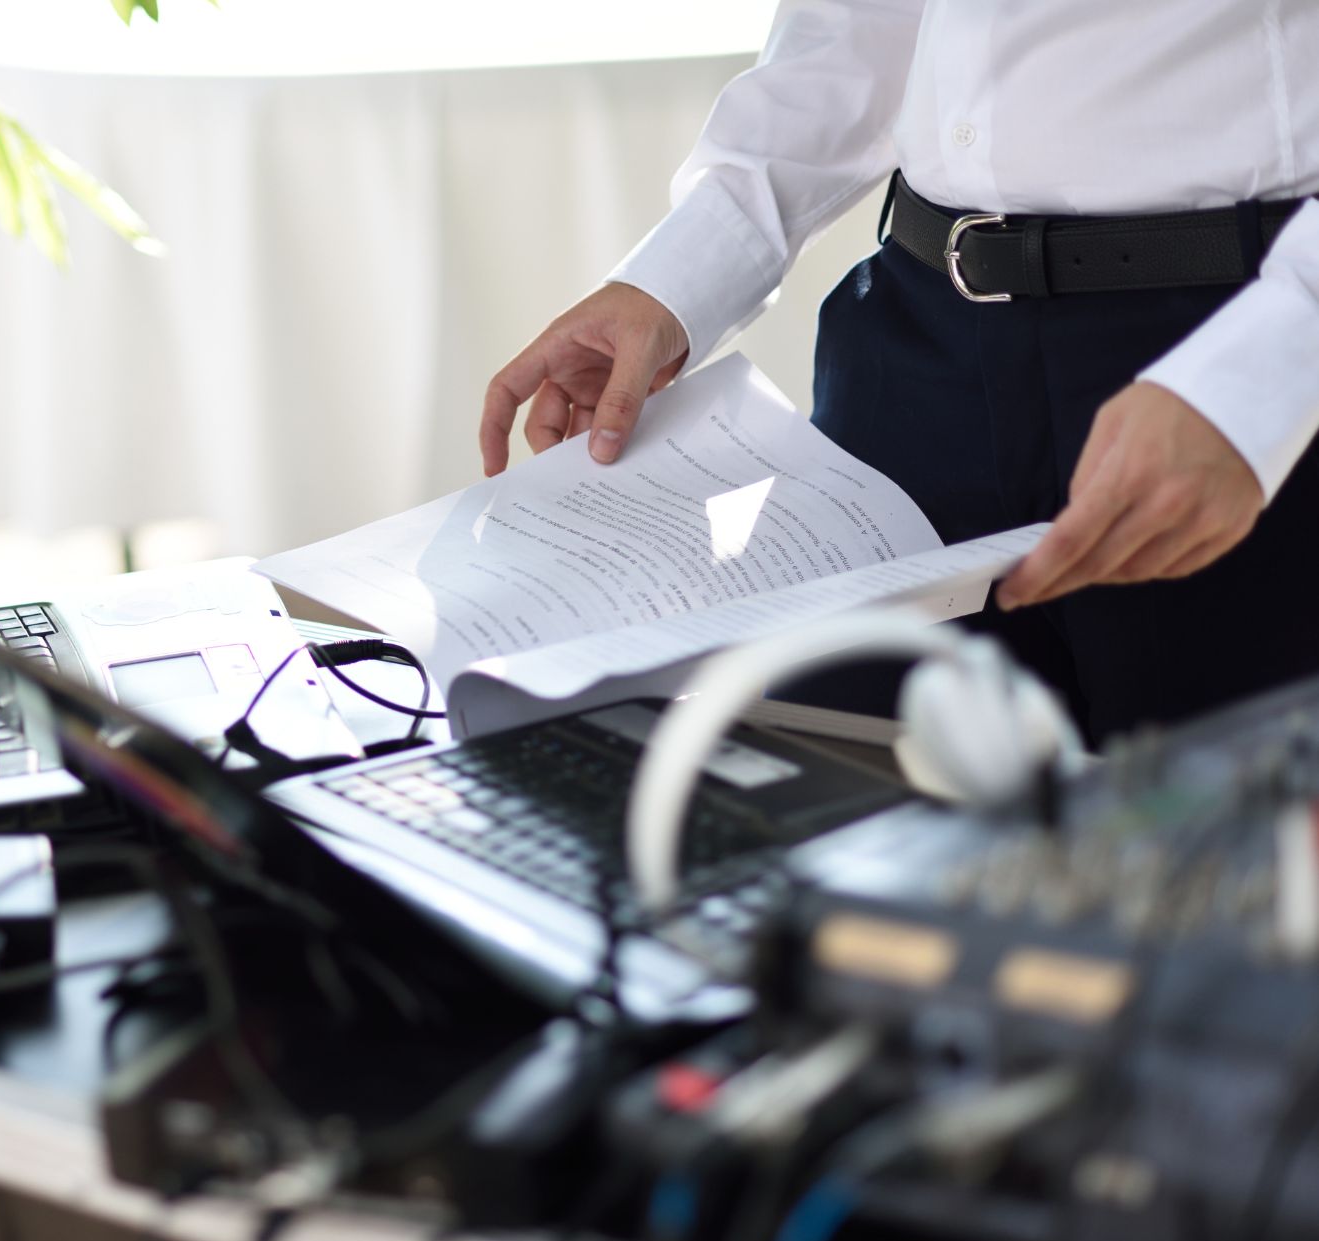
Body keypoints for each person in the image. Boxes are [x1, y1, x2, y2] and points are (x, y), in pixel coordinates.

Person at [479, 1, 1319, 744]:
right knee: (832, 820)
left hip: (1216, 362)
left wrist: (1264, 378)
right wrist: (673, 279)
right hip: (914, 356)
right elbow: (857, 27)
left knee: (1208, 866)